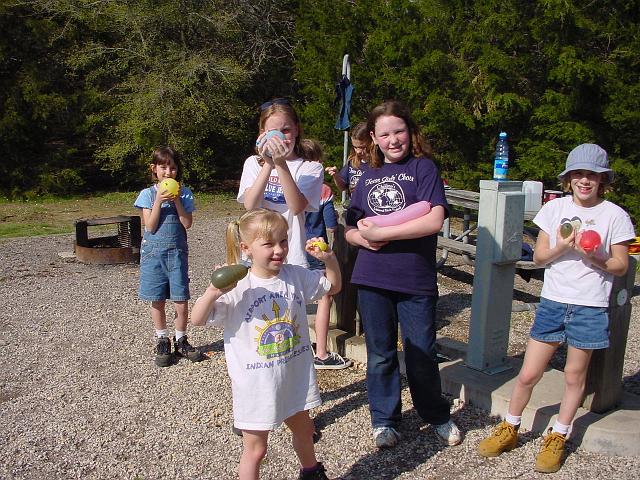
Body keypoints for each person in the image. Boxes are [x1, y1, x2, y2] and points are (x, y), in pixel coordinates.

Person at [477, 143, 635, 473]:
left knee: (575, 376)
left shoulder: (615, 215)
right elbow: (538, 258)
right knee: (529, 373)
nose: (584, 181)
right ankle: (510, 426)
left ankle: (558, 435)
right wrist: (564, 246)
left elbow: (621, 265)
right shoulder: (554, 210)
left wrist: (595, 256)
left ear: (602, 179)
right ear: (568, 179)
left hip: (590, 306)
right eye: (578, 174)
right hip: (553, 302)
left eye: (592, 175)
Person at [190, 208, 341, 480]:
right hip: (256, 386)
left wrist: (329, 259)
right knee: (256, 450)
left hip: (293, 377)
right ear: (246, 248)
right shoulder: (237, 284)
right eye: (268, 244)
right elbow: (197, 319)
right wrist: (212, 292)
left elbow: (333, 286)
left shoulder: (295, 275)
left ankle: (311, 472)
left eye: (283, 241)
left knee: (305, 433)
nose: (279, 250)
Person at [344, 100, 462, 449]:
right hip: (372, 277)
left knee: (420, 352)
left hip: (414, 278)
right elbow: (350, 225)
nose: (393, 139)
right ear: (374, 140)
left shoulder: (423, 168)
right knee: (380, 353)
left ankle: (436, 414)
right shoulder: (367, 176)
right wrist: (359, 237)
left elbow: (433, 220)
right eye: (384, 134)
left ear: (410, 133)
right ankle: (384, 421)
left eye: (399, 131)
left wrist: (381, 233)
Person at [134, 146, 205, 367]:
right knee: (157, 299)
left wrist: (176, 201)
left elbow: (187, 223)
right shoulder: (147, 194)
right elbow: (150, 226)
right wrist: (158, 201)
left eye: (173, 168)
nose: (168, 172)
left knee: (181, 299)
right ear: (154, 169)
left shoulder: (184, 194)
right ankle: (162, 338)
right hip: (153, 255)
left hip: (177, 254)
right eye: (163, 167)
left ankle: (181, 338)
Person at [238, 98, 324, 268]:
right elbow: (251, 205)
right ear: (262, 133)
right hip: (257, 253)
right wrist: (269, 163)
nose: (279, 137)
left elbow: (296, 207)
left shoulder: (310, 168)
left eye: (286, 130)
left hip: (291, 254)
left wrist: (280, 163)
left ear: (297, 129)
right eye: (272, 132)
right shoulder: (253, 163)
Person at [302, 139, 352, 370]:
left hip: (292, 247)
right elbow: (331, 224)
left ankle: (297, 347)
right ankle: (321, 352)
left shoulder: (289, 183)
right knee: (324, 297)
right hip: (316, 247)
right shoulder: (323, 190)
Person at [325, 121, 369, 197]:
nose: (358, 151)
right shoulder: (352, 162)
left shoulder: (381, 163)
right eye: (355, 147)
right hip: (354, 207)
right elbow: (342, 187)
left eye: (362, 147)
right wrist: (336, 176)